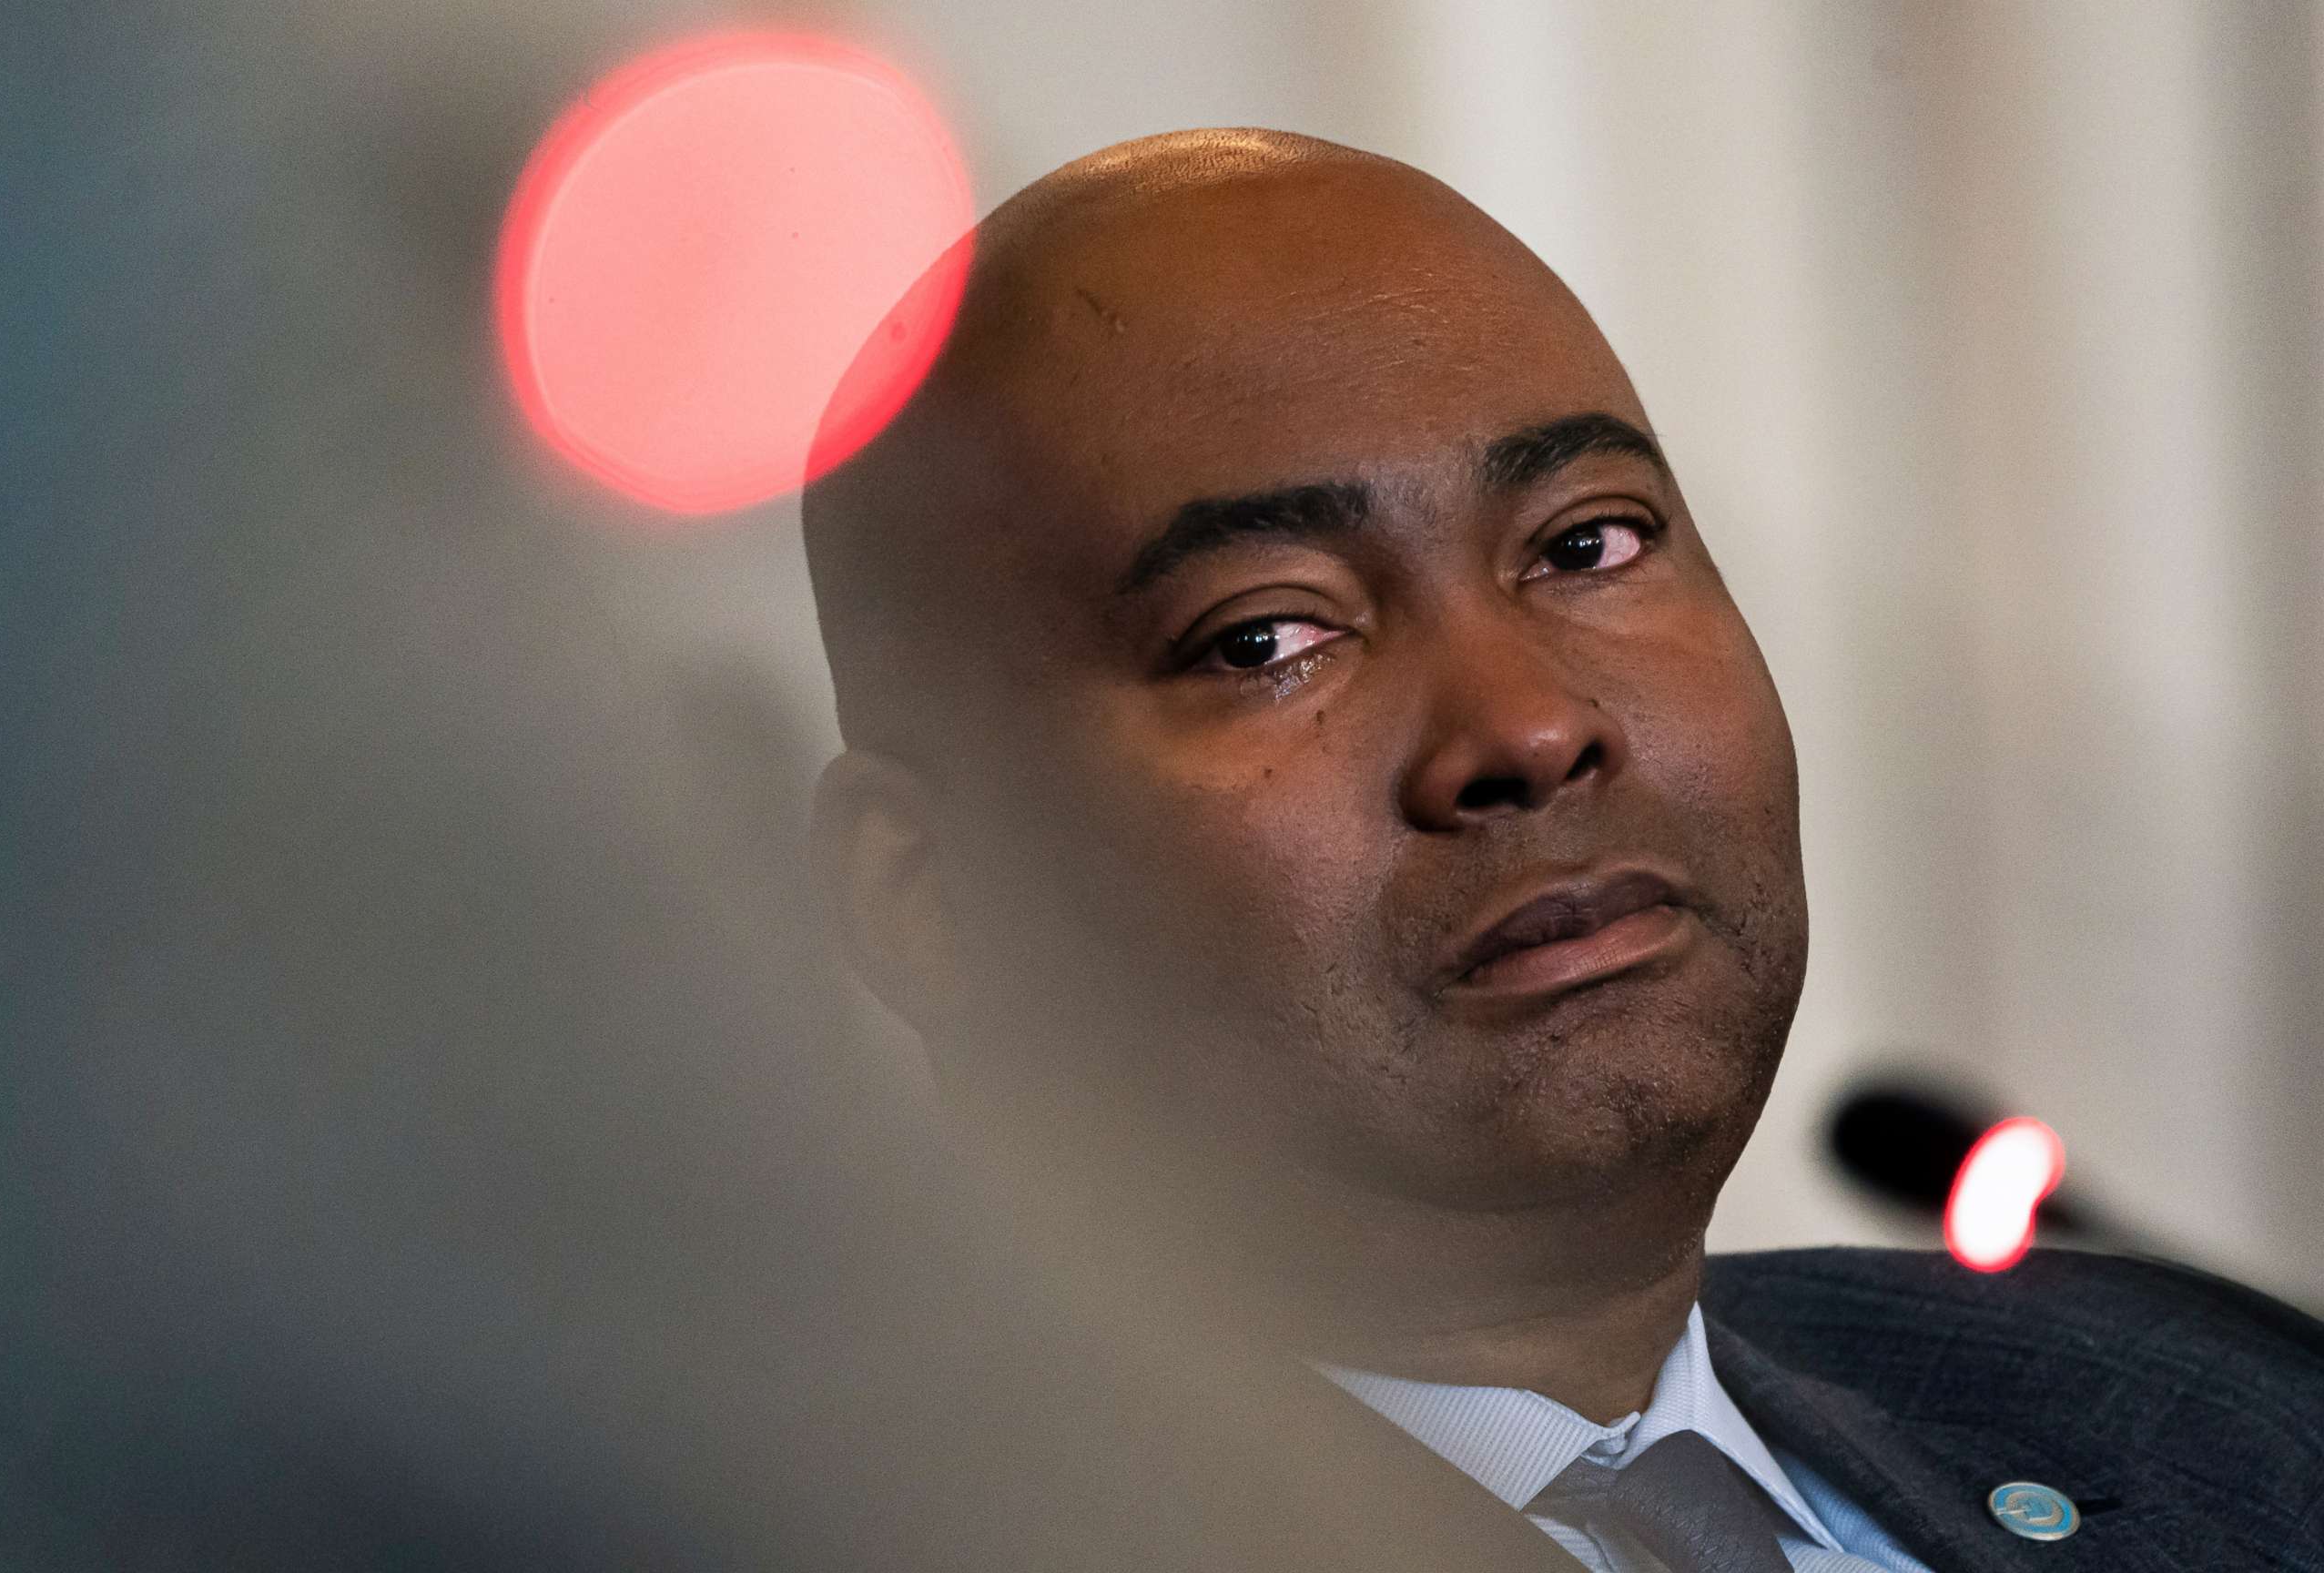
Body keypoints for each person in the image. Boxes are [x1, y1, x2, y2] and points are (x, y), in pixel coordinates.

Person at [799, 128, 2324, 1572]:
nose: (1528, 728)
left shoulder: (2207, 1409)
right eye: (1266, 635)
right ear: (925, 899)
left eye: (1588, 543)